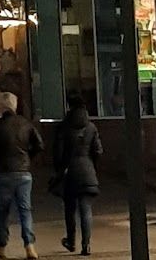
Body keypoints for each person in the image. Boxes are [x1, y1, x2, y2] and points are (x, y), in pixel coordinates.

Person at [0, 90, 43, 260]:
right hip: (24, 173)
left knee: (3, 211)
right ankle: (29, 245)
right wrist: (28, 158)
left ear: (1, 107)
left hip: (4, 172)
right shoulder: (26, 123)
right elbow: (39, 144)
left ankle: (1, 245)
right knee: (25, 210)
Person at [55, 96, 103, 256]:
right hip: (88, 170)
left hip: (70, 173)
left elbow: (59, 153)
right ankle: (86, 245)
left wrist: (60, 170)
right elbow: (98, 151)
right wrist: (92, 166)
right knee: (86, 209)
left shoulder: (64, 127)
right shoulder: (91, 127)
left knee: (70, 208)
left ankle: (71, 240)